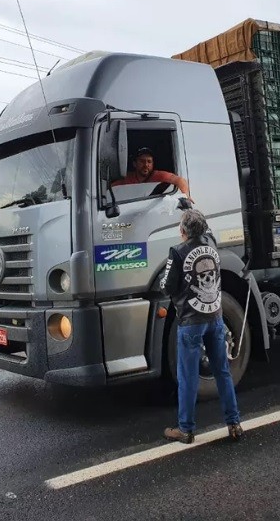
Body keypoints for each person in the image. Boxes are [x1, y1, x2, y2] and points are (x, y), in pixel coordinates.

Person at [159, 209, 242, 444]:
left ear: (182, 231)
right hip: (215, 318)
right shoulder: (212, 243)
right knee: (223, 372)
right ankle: (234, 423)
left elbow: (167, 286)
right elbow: (207, 231)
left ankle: (185, 429)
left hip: (191, 323)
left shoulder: (177, 252)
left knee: (188, 377)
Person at [112, 147, 192, 201]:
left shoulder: (158, 175)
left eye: (149, 161)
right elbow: (111, 190)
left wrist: (186, 196)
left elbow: (179, 180)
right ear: (134, 164)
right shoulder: (126, 178)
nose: (146, 165)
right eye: (142, 161)